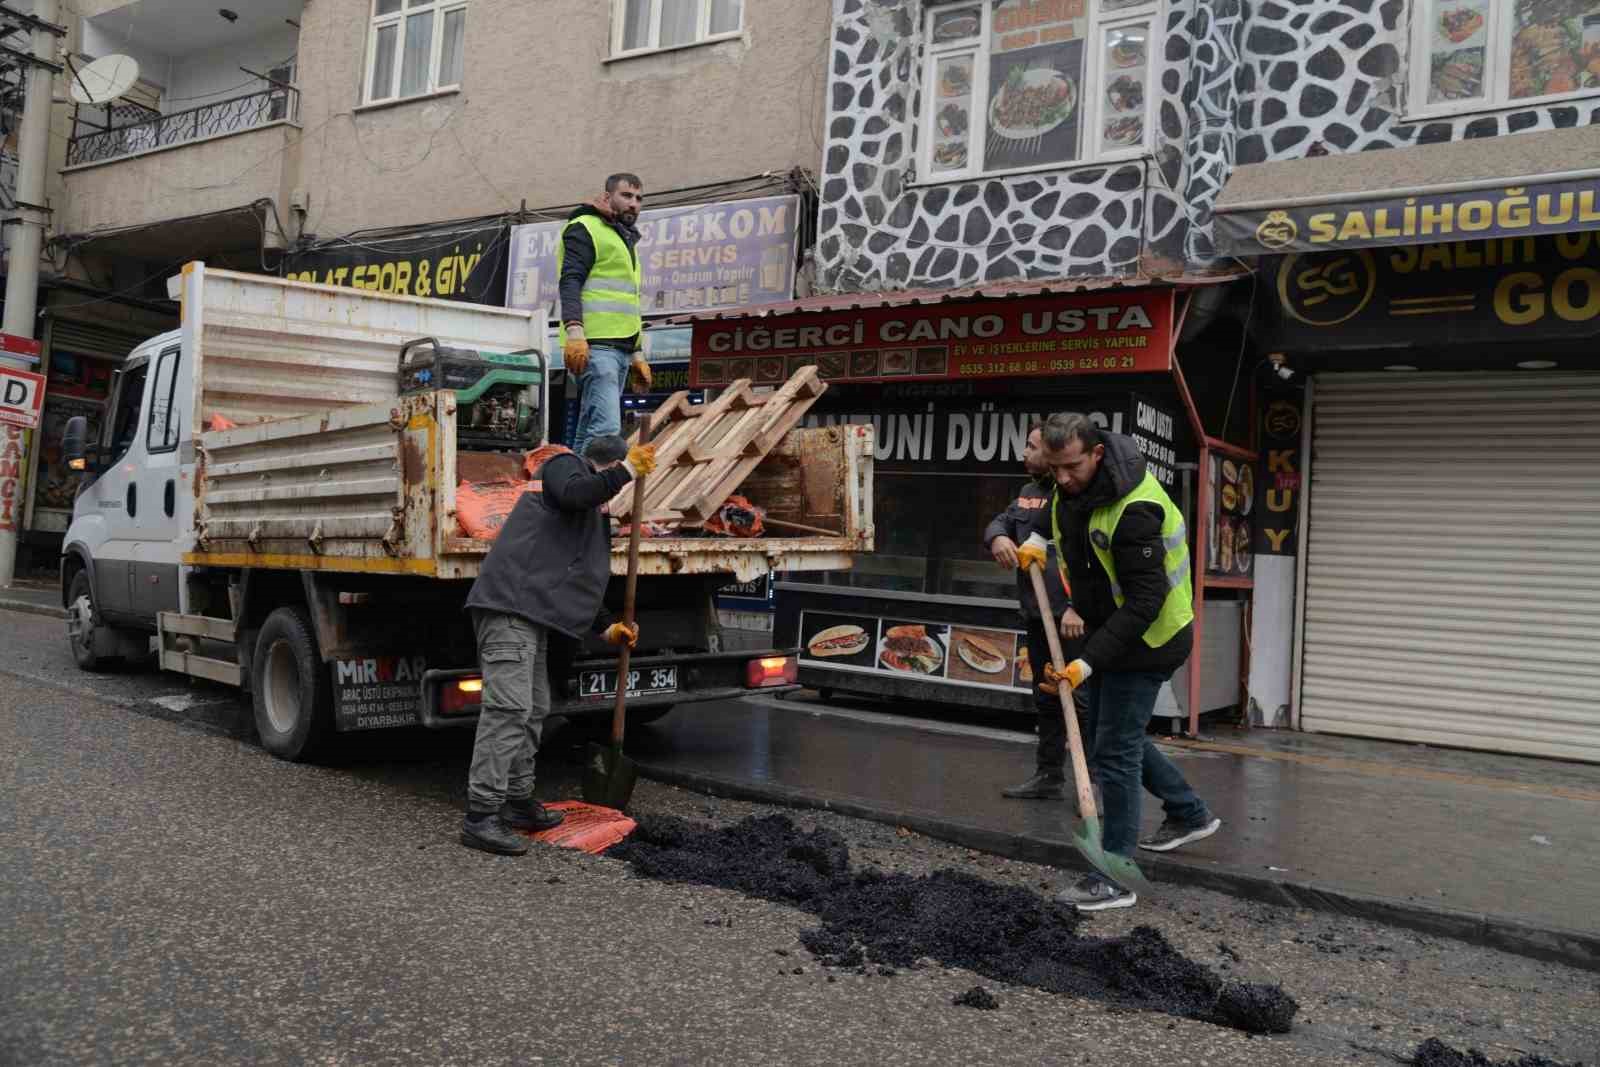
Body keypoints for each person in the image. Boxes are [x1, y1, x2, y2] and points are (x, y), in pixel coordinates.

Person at [1016, 412, 1221, 911]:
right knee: (1117, 737)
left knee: (1115, 751)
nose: (1062, 479)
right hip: (1112, 629)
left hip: (1150, 637)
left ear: (1097, 454)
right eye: (1054, 469)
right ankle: (1190, 813)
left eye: (1071, 468)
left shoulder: (1137, 511)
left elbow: (1146, 602)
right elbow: (1064, 511)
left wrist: (1087, 662)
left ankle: (1115, 875)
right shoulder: (1073, 484)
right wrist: (1036, 538)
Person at [458, 433, 657, 855]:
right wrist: (625, 472)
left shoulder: (588, 519)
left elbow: (578, 579)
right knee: (509, 709)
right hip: (508, 608)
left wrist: (606, 628)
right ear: (607, 465)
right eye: (616, 477)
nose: (611, 498)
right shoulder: (566, 467)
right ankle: (481, 816)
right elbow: (572, 493)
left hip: (534, 617)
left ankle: (517, 802)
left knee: (533, 709)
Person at [983, 422, 1088, 801]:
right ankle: (1049, 776)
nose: (1024, 453)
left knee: (1083, 701)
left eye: (1031, 446)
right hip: (1037, 615)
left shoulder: (1076, 493)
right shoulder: (1028, 494)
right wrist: (998, 537)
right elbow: (1001, 521)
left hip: (1073, 621)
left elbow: (1092, 557)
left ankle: (1097, 788)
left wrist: (1078, 606)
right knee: (1045, 697)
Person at [560, 173, 652, 458]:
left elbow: (627, 303)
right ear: (607, 196)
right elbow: (570, 281)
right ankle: (591, 499)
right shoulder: (585, 227)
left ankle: (568, 493)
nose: (634, 204)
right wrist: (574, 331)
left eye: (638, 198)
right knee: (607, 432)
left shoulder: (623, 239)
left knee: (588, 430)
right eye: (626, 196)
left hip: (620, 348)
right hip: (595, 345)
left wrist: (637, 354)